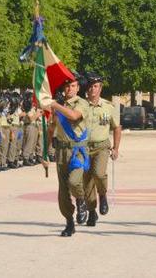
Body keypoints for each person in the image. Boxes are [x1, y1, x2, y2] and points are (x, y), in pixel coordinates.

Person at [48, 76, 90, 237]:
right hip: (61, 152)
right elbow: (52, 127)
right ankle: (69, 222)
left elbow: (74, 116)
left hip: (77, 152)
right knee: (63, 193)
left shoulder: (82, 103)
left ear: (78, 88)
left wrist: (55, 105)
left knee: (74, 181)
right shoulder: (58, 106)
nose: (69, 89)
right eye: (66, 86)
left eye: (72, 86)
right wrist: (46, 151)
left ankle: (81, 200)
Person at [83, 72, 121, 226]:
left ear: (100, 88)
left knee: (98, 174)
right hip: (84, 147)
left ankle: (103, 195)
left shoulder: (108, 107)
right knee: (86, 182)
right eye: (91, 86)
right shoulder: (81, 106)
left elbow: (117, 128)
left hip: (102, 146)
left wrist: (116, 148)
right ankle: (92, 211)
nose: (93, 89)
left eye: (96, 86)